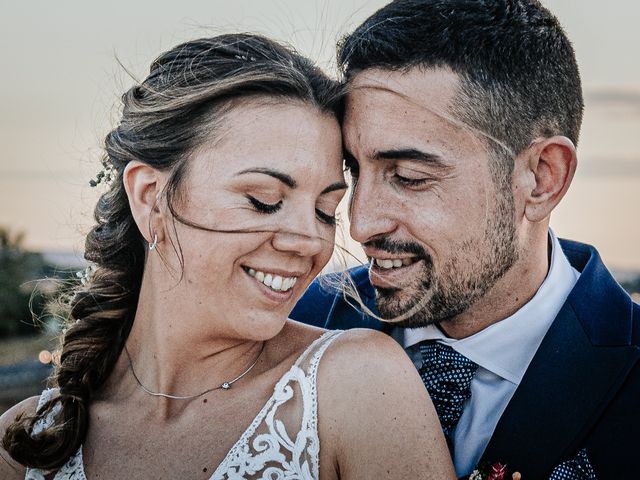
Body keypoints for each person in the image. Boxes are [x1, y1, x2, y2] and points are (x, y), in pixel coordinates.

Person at [0, 34, 455, 479]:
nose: (310, 241)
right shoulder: (22, 445)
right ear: (151, 197)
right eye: (263, 199)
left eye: (324, 211)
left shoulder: (358, 385)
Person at [291, 1, 640, 479]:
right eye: (354, 171)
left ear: (542, 178)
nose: (360, 224)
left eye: (410, 177)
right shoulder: (291, 327)